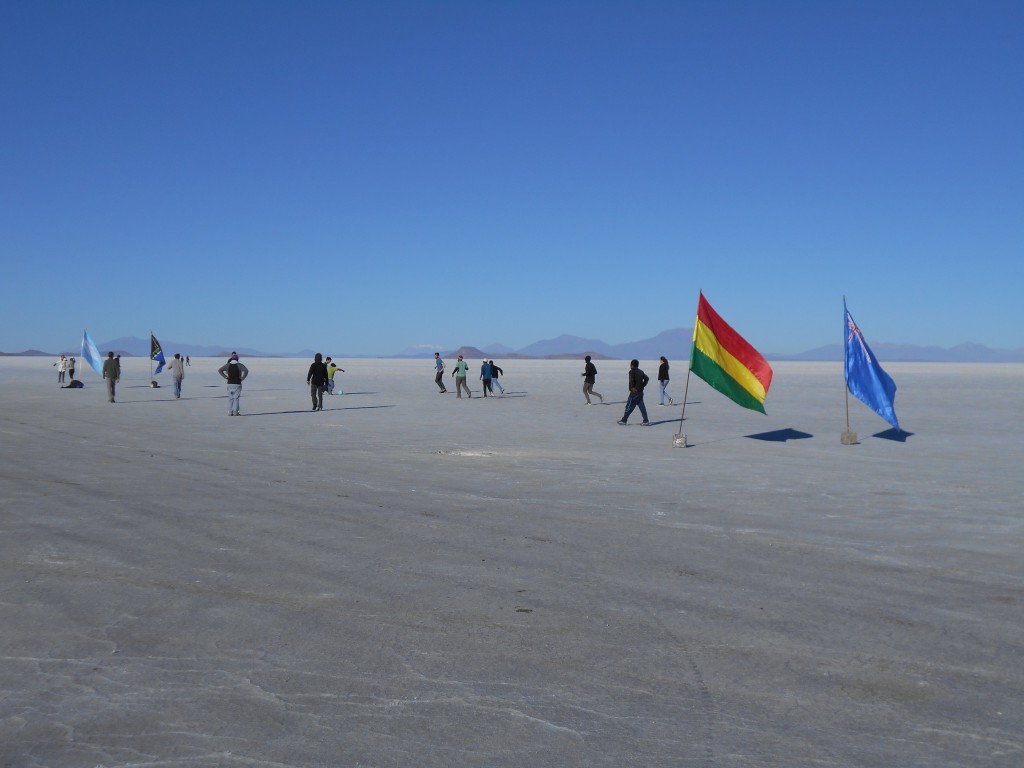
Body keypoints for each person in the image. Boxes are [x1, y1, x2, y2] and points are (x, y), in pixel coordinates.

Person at [618, 359, 650, 425]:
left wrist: (632, 387)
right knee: (642, 407)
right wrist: (642, 385)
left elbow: (631, 380)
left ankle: (624, 420)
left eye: (630, 364)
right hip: (640, 392)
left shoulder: (631, 371)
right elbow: (647, 378)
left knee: (628, 406)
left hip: (634, 393)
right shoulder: (641, 371)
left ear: (632, 365)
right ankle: (646, 420)